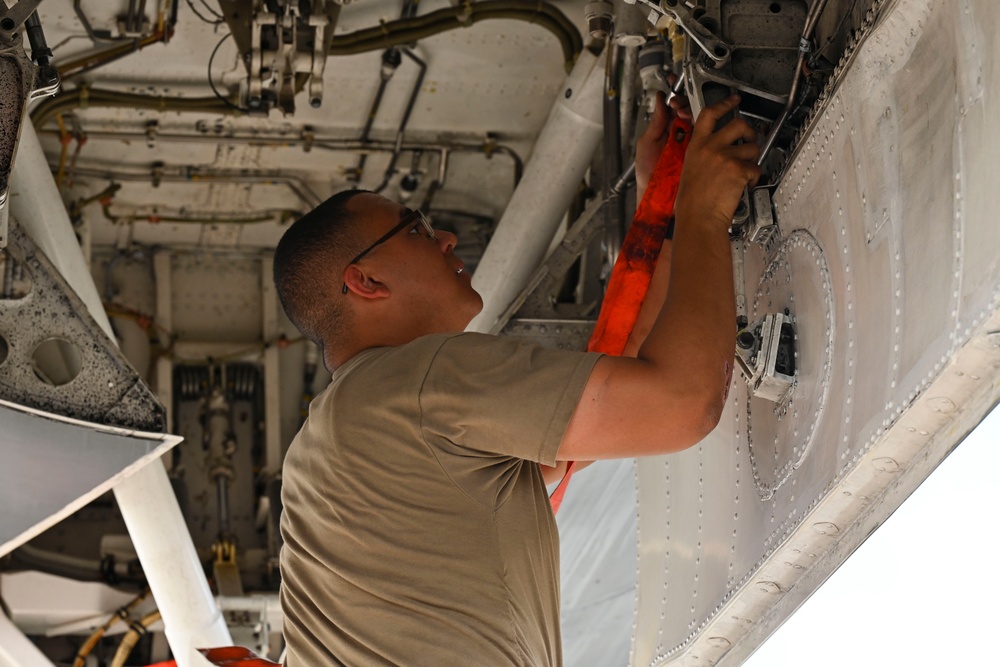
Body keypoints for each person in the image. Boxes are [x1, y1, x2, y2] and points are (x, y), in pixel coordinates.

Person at [272, 92, 760, 666]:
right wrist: (705, 212)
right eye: (417, 229)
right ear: (367, 281)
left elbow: (621, 387)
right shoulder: (419, 382)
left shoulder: (332, 444)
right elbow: (681, 403)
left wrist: (669, 209)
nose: (446, 239)